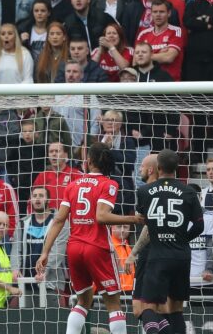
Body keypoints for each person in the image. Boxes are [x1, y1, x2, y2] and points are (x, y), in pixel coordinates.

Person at [36, 142, 140, 334]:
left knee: (83, 301)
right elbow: (101, 216)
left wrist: (45, 252)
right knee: (113, 304)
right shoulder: (109, 184)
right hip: (97, 247)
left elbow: (58, 220)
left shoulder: (73, 185)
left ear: (89, 161)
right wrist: (133, 219)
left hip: (74, 248)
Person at [130, 149, 204, 334]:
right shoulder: (189, 191)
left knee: (147, 307)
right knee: (175, 309)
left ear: (158, 167)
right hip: (181, 256)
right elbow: (199, 226)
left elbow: (144, 223)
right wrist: (181, 240)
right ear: (177, 167)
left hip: (157, 255)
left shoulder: (144, 191)